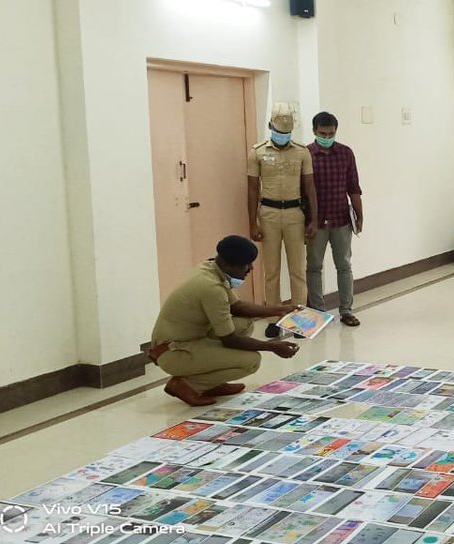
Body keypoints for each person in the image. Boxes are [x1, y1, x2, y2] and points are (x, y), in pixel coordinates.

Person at [149, 235, 303, 406]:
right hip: (174, 352)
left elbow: (237, 307)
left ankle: (211, 382)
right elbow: (230, 339)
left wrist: (279, 309)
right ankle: (186, 385)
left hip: (186, 340)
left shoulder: (210, 269)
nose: (250, 268)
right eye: (246, 265)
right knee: (251, 361)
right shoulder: (211, 288)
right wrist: (273, 347)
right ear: (229, 265)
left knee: (244, 323)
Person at [247, 102, 319, 338]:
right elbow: (251, 189)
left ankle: (299, 320)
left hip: (294, 214)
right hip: (267, 213)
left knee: (298, 270)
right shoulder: (257, 152)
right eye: (279, 132)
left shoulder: (301, 151)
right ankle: (273, 318)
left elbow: (309, 187)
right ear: (270, 126)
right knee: (272, 271)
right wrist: (252, 222)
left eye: (287, 133)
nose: (283, 136)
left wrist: (313, 219)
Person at [305, 111, 363, 327]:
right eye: (322, 133)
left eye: (331, 133)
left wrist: (359, 214)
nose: (327, 137)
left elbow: (353, 187)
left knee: (344, 265)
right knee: (313, 267)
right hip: (315, 222)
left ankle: (346, 311)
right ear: (314, 131)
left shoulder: (346, 153)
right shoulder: (306, 154)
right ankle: (317, 313)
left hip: (341, 219)